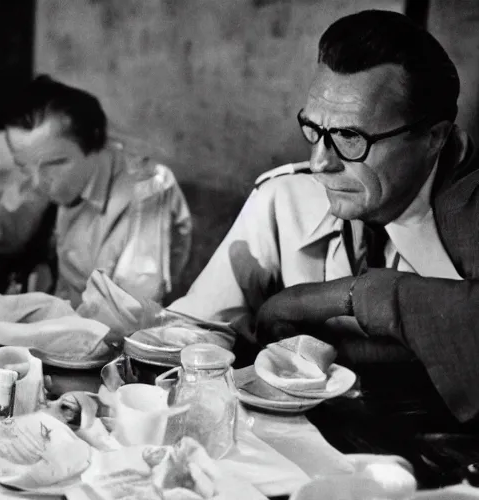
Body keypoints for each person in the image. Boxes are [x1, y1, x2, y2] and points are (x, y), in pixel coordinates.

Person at [169, 10, 479, 426]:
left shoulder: (468, 219)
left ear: (434, 138)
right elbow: (195, 331)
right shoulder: (284, 200)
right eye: (314, 128)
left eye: (351, 137)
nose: (319, 163)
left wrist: (327, 299)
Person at [0, 75, 193, 307]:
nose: (37, 182)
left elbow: (130, 315)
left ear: (95, 144)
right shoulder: (37, 168)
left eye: (55, 163)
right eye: (23, 165)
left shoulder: (148, 189)